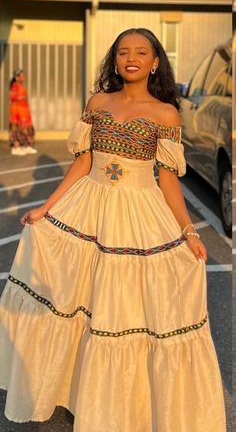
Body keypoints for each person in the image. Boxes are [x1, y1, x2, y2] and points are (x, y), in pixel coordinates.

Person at [0, 28, 226, 431]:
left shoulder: (166, 113)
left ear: (155, 62)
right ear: (115, 60)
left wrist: (190, 232)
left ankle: (120, 405)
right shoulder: (97, 102)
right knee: (77, 297)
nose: (132, 58)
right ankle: (72, 386)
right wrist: (46, 208)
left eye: (141, 52)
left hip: (139, 211)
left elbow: (169, 179)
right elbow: (83, 163)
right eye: (124, 52)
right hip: (89, 204)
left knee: (122, 306)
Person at [9, 68, 37, 155]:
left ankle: (26, 146)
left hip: (24, 111)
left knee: (27, 129)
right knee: (16, 129)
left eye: (24, 76)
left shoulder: (22, 86)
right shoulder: (15, 86)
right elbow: (12, 97)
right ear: (16, 77)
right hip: (17, 111)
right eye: (21, 76)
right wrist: (21, 98)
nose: (23, 77)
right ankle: (16, 147)